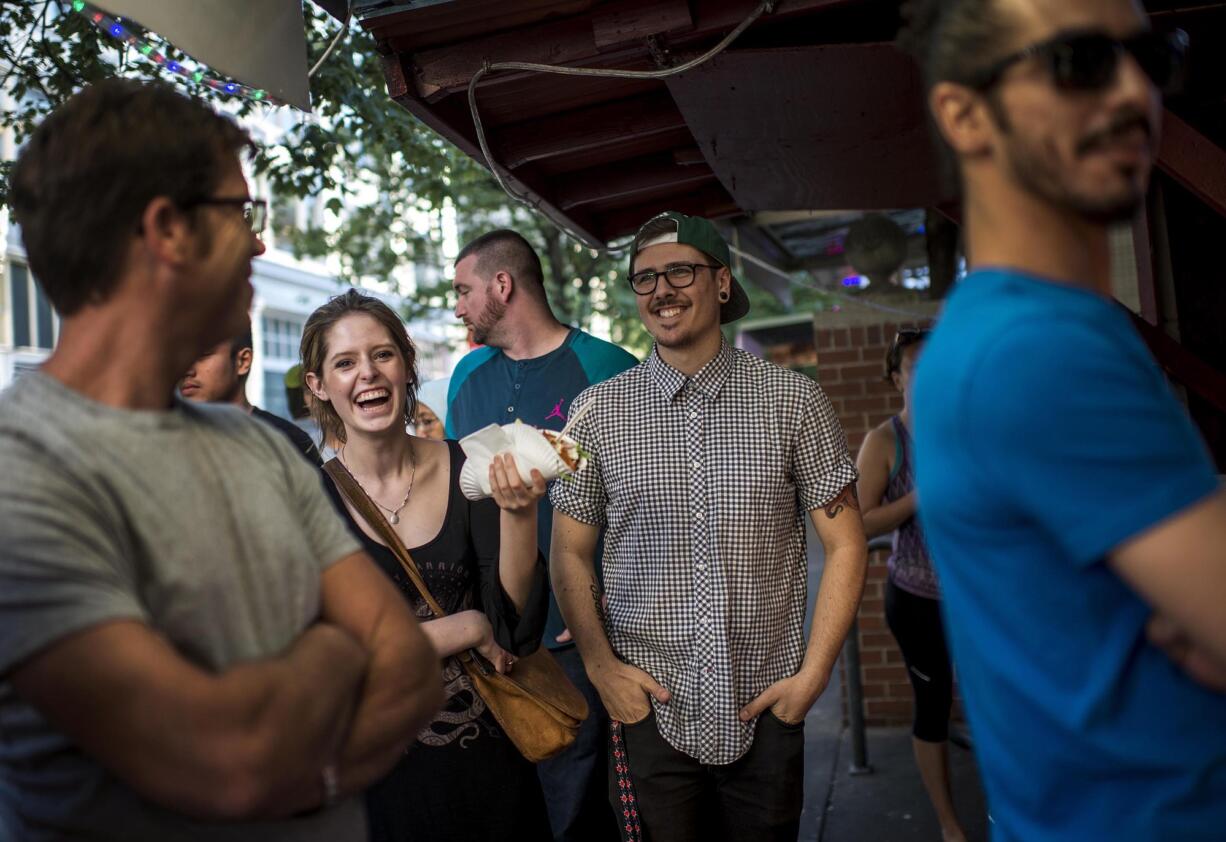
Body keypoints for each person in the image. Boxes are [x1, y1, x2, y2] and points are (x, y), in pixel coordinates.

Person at [0, 79, 441, 840]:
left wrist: (308, 773)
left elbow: (408, 664)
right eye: (241, 213)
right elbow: (230, 760)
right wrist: (336, 651)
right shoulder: (21, 474)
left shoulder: (259, 446)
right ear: (168, 230)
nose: (259, 243)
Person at [900, 1, 1226, 838]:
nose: (1132, 91)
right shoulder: (1037, 350)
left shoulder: (992, 331)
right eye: (1080, 63)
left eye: (1150, 58)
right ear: (965, 114)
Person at [549, 211, 868, 841]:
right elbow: (570, 551)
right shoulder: (596, 414)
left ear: (722, 283)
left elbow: (847, 541)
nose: (661, 290)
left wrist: (814, 674)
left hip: (768, 703)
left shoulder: (793, 400)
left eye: (680, 271)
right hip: (649, 710)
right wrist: (601, 666)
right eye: (645, 279)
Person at [302, 289, 553, 842]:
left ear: (406, 364)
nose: (368, 373)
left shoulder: (472, 465)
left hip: (491, 771)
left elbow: (513, 630)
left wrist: (519, 513)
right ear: (318, 385)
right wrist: (464, 627)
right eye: (344, 363)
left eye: (382, 354)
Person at [447, 229, 638, 842]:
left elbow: (654, 501)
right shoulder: (467, 375)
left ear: (502, 286)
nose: (457, 307)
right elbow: (460, 495)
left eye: (463, 290)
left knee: (579, 803)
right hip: (491, 631)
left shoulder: (609, 368)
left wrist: (615, 590)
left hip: (577, 632)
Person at [855, 329, 965, 842]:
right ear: (897, 378)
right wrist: (923, 496)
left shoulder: (968, 429)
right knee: (934, 706)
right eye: (915, 368)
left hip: (978, 598)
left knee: (1002, 697)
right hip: (918, 599)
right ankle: (949, 825)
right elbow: (859, 523)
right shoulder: (885, 441)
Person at [180, 324, 322, 464]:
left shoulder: (288, 443)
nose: (186, 369)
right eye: (176, 357)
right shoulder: (165, 442)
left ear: (243, 361)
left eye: (203, 355)